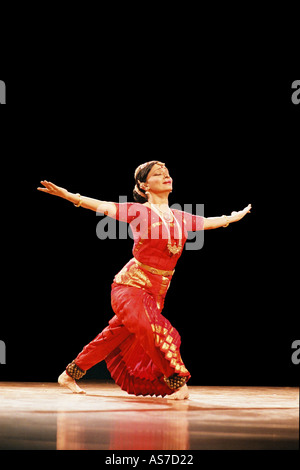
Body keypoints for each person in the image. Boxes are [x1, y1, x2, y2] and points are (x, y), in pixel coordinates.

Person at [37, 161, 251, 400]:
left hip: (157, 292)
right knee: (154, 329)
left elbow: (209, 222)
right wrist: (69, 196)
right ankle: (177, 382)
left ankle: (70, 374)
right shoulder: (138, 212)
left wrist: (231, 218)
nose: (166, 176)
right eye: (157, 174)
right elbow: (103, 206)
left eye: (167, 173)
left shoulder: (180, 217)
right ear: (143, 185)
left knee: (113, 335)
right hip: (130, 286)